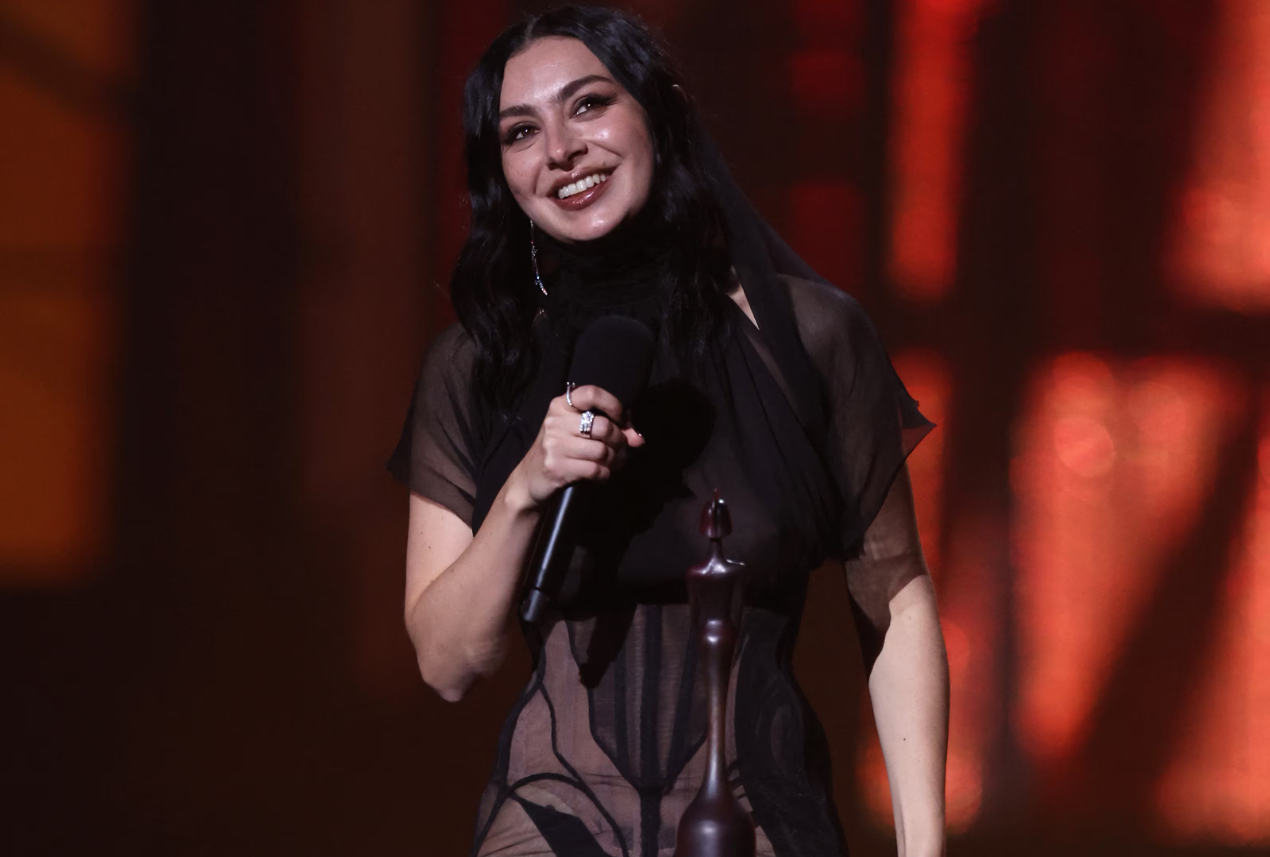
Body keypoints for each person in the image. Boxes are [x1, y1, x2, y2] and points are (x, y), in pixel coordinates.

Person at [389, 6, 949, 856]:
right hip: (553, 815)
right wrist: (524, 491)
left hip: (759, 815)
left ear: (660, 112)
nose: (560, 150)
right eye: (520, 132)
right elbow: (446, 663)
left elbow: (895, 599)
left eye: (588, 105)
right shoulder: (475, 367)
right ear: (503, 173)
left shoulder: (809, 337)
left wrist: (923, 847)